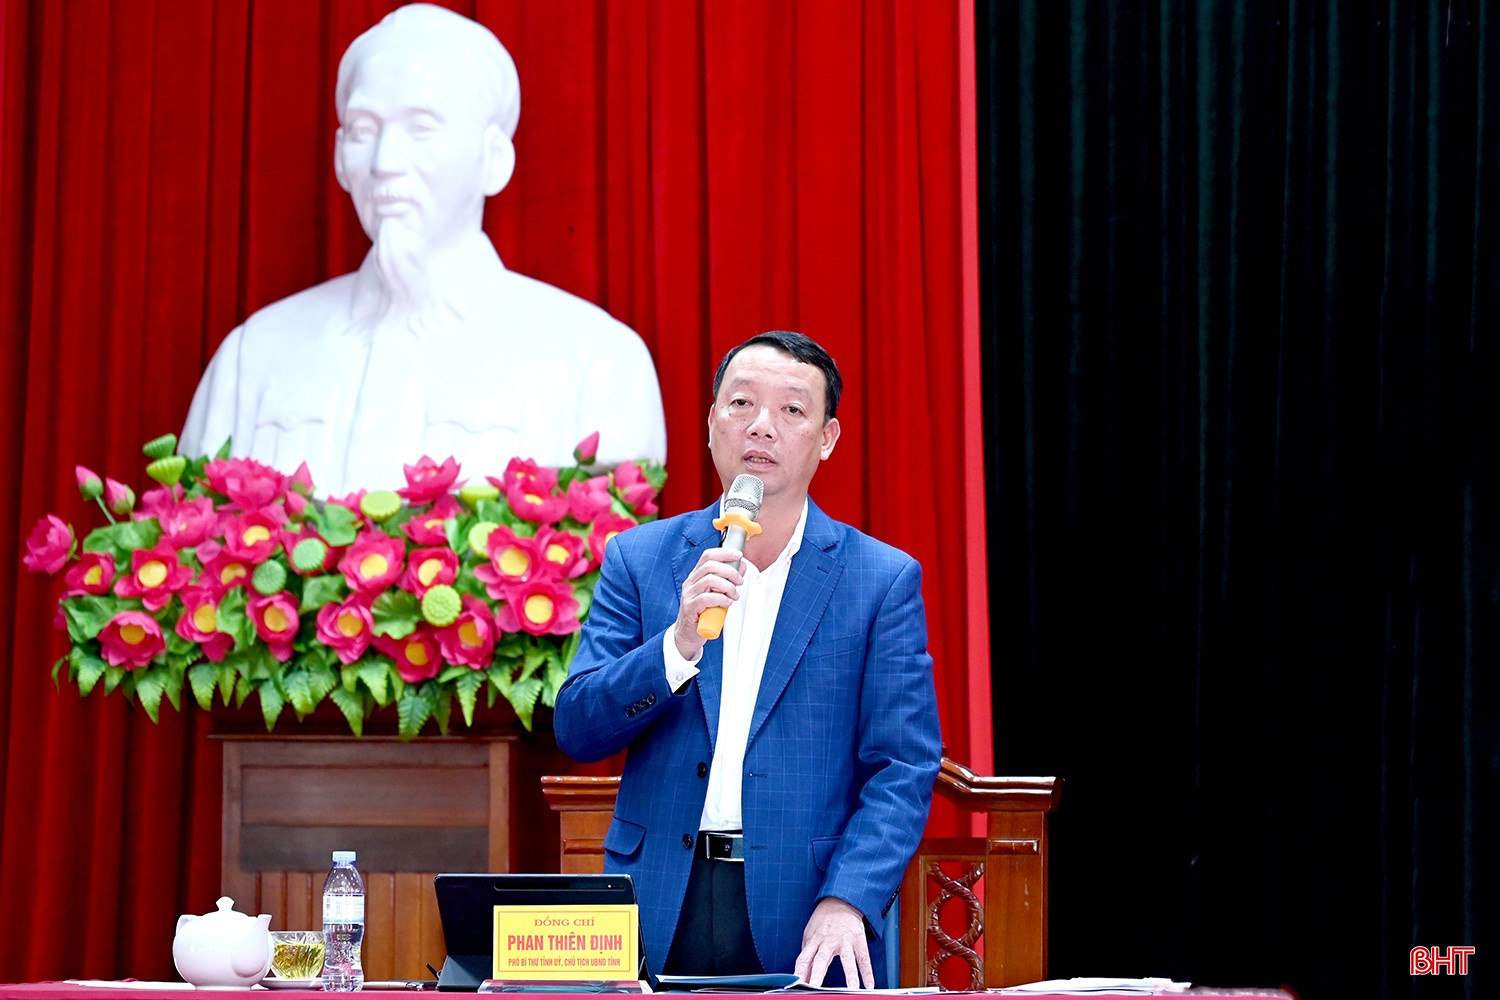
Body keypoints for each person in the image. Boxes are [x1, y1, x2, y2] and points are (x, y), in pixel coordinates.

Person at [553, 331, 941, 988]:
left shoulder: (880, 580)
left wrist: (849, 897)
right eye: (741, 404)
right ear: (711, 423)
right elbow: (578, 728)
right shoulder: (640, 559)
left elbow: (902, 767)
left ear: (827, 438)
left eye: (792, 409)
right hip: (659, 897)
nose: (761, 425)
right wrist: (677, 644)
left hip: (807, 904)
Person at [179, 4, 666, 495]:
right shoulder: (250, 359)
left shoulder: (594, 363)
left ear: (494, 158)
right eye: (363, 130)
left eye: (422, 127)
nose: (384, 162)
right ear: (340, 157)